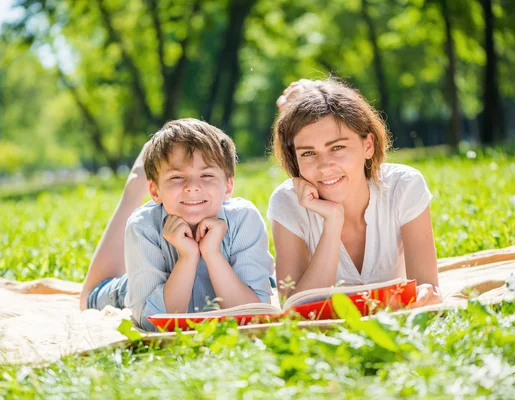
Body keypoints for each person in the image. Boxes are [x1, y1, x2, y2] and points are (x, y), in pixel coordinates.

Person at [81, 118, 273, 331]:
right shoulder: (144, 226)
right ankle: (137, 182)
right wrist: (188, 258)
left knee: (265, 281)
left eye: (207, 175)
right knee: (87, 298)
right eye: (177, 177)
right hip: (138, 287)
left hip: (218, 282)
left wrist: (212, 254)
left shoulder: (244, 218)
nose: (192, 186)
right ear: (154, 191)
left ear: (228, 186)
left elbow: (256, 316)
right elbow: (151, 323)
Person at [269, 77, 440, 308]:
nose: (324, 165)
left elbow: (428, 291)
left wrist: (426, 296)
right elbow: (295, 311)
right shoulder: (286, 202)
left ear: (367, 146)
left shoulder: (404, 186)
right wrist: (332, 221)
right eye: (308, 153)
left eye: (337, 147)